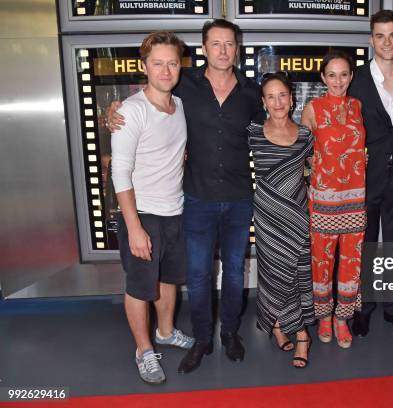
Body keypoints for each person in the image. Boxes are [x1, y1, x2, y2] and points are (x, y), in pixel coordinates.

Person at [107, 19, 265, 373]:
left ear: (236, 48)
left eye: (229, 44)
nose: (223, 50)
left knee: (235, 273)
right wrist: (113, 112)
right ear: (204, 48)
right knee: (196, 276)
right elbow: (141, 106)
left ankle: (230, 333)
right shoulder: (185, 87)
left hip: (238, 198)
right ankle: (203, 339)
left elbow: (269, 131)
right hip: (195, 199)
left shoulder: (251, 92)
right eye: (216, 44)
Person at [111, 31, 194, 384]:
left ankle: (164, 331)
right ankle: (144, 350)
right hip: (142, 213)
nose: (165, 70)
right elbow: (120, 172)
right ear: (144, 66)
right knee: (140, 287)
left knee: (169, 280)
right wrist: (134, 227)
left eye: (172, 63)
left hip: (174, 210)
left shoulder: (180, 106)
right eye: (157, 63)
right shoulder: (131, 111)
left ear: (180, 66)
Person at [348, 9, 393, 337]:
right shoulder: (355, 78)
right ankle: (363, 309)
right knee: (365, 245)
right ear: (371, 39)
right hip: (364, 176)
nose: (386, 42)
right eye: (380, 35)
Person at [248, 72, 315, 368]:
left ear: (292, 99)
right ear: (263, 102)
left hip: (297, 216)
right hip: (266, 216)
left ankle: (292, 329)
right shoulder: (251, 132)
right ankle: (293, 330)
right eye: (271, 96)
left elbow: (318, 168)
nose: (277, 102)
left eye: (282, 95)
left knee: (295, 272)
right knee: (274, 273)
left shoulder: (305, 135)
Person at [301, 50, 366, 349]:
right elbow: (300, 154)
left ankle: (343, 318)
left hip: (355, 198)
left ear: (351, 76)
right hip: (324, 200)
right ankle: (324, 315)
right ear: (323, 78)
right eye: (332, 75)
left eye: (344, 74)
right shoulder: (313, 108)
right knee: (322, 262)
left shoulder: (358, 106)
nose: (338, 80)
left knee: (351, 263)